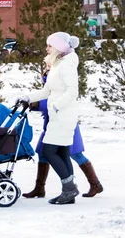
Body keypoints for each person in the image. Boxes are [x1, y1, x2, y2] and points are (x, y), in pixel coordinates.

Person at [16, 32, 81, 205]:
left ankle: (69, 189)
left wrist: (55, 106)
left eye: (49, 45)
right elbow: (47, 91)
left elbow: (73, 91)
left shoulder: (66, 65)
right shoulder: (59, 64)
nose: (47, 48)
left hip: (63, 115)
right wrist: (28, 97)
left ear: (58, 47)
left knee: (48, 152)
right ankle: (68, 191)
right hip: (60, 115)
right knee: (62, 152)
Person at [23, 87, 103, 199]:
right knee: (42, 153)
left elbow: (57, 100)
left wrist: (37, 103)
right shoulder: (51, 80)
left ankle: (95, 184)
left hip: (65, 124)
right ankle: (39, 188)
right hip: (51, 125)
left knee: (75, 154)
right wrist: (33, 103)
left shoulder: (61, 78)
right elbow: (46, 97)